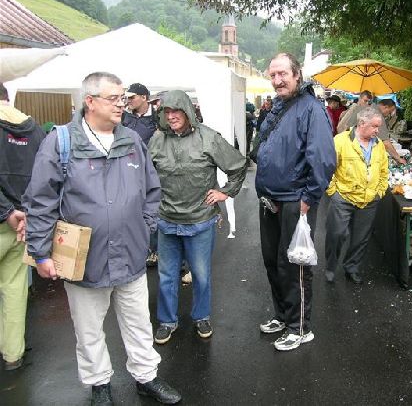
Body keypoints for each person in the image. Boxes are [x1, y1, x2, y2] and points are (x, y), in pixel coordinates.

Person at [22, 72, 181, 405]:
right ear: (90, 101)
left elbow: (152, 189)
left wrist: (145, 225)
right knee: (89, 328)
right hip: (85, 260)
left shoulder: (131, 140)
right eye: (114, 98)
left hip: (132, 254)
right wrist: (40, 253)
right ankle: (99, 385)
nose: (121, 104)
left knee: (139, 323)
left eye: (123, 98)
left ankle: (146, 376)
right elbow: (40, 200)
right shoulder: (62, 141)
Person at [148, 90, 246, 344]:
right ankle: (167, 321)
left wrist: (225, 192)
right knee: (167, 276)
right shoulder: (157, 141)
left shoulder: (208, 138)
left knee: (201, 275)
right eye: (166, 112)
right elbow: (145, 177)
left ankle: (201, 315)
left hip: (200, 221)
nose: (171, 117)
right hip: (167, 220)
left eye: (175, 111)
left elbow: (237, 166)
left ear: (188, 111)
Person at [255, 53, 336, 352]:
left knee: (294, 265)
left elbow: (324, 160)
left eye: (282, 74)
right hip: (270, 198)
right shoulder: (279, 106)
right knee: (272, 261)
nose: (277, 80)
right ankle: (282, 315)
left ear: (297, 74)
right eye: (273, 75)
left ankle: (300, 327)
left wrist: (309, 198)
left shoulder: (311, 109)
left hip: (294, 200)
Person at [0, 83, 45, 371]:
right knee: (15, 288)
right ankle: (12, 354)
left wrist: (6, 211)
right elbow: (44, 178)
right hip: (22, 224)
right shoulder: (35, 129)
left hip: (7, 217)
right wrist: (27, 213)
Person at [324, 107, 389, 284]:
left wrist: (379, 191)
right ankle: (330, 266)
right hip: (343, 197)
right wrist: (333, 192)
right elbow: (327, 168)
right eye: (375, 126)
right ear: (361, 123)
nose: (378, 130)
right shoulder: (341, 141)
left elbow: (384, 170)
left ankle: (351, 267)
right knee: (336, 234)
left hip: (369, 199)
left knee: (361, 238)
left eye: (379, 127)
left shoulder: (379, 145)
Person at [123, 83, 160, 266]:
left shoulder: (159, 117)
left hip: (153, 172)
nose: (129, 101)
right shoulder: (123, 117)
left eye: (132, 97)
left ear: (144, 97)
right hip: (128, 172)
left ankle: (154, 249)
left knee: (152, 209)